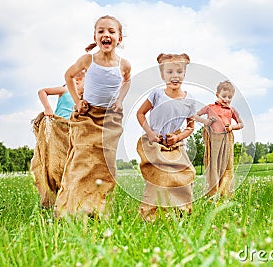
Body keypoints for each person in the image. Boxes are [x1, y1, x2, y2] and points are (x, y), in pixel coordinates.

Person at [53, 15, 131, 218]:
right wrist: (78, 102)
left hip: (109, 120)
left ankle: (96, 208)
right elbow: (68, 75)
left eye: (111, 32)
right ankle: (71, 208)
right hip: (87, 117)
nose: (106, 34)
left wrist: (120, 100)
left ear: (119, 38)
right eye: (101, 31)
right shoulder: (88, 60)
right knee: (82, 160)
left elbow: (127, 81)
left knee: (105, 165)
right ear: (95, 37)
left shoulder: (123, 64)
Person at [136, 53, 196, 222]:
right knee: (159, 177)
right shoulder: (157, 94)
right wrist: (150, 133)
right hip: (154, 141)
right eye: (169, 72)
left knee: (185, 173)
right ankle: (150, 214)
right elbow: (140, 113)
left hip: (175, 142)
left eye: (179, 71)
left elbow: (190, 127)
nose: (174, 76)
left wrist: (177, 138)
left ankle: (180, 211)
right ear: (163, 75)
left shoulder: (189, 99)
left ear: (184, 74)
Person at [30, 71, 85, 208]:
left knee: (70, 161)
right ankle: (51, 196)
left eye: (83, 79)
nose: (78, 81)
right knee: (55, 161)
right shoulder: (65, 89)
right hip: (58, 128)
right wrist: (47, 107)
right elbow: (42, 91)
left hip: (72, 130)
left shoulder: (83, 99)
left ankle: (69, 198)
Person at [194, 81, 244, 198]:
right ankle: (212, 192)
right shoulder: (210, 107)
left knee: (226, 164)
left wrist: (232, 127)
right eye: (224, 96)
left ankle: (224, 193)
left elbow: (241, 124)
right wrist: (205, 121)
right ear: (217, 95)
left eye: (229, 97)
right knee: (213, 164)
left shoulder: (231, 110)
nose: (226, 99)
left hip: (226, 138)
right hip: (213, 140)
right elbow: (195, 116)